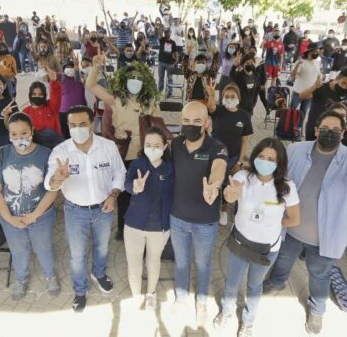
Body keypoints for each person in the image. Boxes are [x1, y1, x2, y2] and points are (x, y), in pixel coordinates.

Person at [264, 111, 347, 335]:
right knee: (282, 260)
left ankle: (317, 310)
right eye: (325, 129)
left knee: (320, 276)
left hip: (325, 237)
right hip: (291, 228)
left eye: (336, 130)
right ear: (316, 130)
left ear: (343, 133)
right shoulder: (295, 151)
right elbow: (278, 180)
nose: (330, 133)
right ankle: (276, 284)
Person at [213, 138, 299, 336]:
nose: (265, 161)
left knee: (254, 285)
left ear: (279, 163)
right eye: (261, 156)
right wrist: (229, 194)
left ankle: (248, 322)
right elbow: (232, 194)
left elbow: (294, 218)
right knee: (232, 283)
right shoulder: (244, 176)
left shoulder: (287, 186)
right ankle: (226, 312)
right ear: (254, 157)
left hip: (267, 249)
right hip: (240, 242)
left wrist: (272, 224)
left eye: (271, 158)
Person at [44, 105, 126, 312]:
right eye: (72, 125)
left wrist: (114, 195)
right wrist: (57, 178)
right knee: (77, 255)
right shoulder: (60, 152)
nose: (77, 129)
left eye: (82, 124)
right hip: (75, 211)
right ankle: (80, 290)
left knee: (102, 247)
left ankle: (99, 274)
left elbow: (120, 172)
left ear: (92, 124)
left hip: (104, 208)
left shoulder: (108, 146)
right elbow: (49, 183)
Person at [86, 54, 162, 240]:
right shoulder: (116, 100)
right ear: (124, 81)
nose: (135, 82)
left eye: (138, 79)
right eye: (131, 79)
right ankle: (122, 228)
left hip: (143, 154)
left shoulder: (150, 102)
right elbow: (92, 86)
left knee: (142, 192)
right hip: (121, 153)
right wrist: (95, 67)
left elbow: (159, 126)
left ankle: (141, 226)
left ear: (144, 82)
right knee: (123, 193)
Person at [0, 112, 61, 300]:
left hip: (41, 216)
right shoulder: (1, 154)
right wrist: (9, 217)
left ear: (32, 131)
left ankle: (50, 275)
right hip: (10, 217)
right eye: (14, 134)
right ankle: (21, 279)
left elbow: (53, 190)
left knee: (43, 247)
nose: (19, 138)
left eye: (23, 133)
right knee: (18, 250)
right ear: (9, 134)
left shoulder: (46, 155)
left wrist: (34, 215)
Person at [170, 101, 228, 327]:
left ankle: (201, 302)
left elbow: (219, 167)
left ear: (206, 123)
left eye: (196, 121)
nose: (190, 125)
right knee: (181, 262)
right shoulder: (175, 145)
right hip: (177, 218)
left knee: (203, 264)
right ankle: (181, 298)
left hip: (205, 222)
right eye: (186, 121)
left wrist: (213, 185)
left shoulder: (217, 147)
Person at [123, 127, 174, 309]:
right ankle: (136, 296)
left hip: (159, 227)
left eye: (157, 145)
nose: (152, 148)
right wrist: (135, 187)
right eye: (148, 145)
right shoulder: (137, 164)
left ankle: (151, 293)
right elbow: (127, 184)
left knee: (153, 262)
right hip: (134, 225)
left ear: (165, 146)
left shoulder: (171, 167)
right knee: (134, 264)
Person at [209, 83, 253, 225]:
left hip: (233, 157)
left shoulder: (244, 116)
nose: (229, 98)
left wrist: (240, 162)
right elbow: (210, 108)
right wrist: (211, 94)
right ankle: (210, 208)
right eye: (226, 96)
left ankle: (224, 210)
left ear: (238, 98)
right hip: (214, 156)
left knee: (228, 184)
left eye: (232, 96)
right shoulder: (219, 111)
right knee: (214, 182)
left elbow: (245, 140)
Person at [301, 68, 347, 141]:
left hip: (334, 133)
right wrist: (314, 87)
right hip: (315, 130)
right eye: (343, 83)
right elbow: (302, 96)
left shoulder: (344, 92)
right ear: (337, 78)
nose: (344, 87)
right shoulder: (321, 87)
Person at [22, 81, 63, 149]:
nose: (37, 96)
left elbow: (56, 95)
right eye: (34, 94)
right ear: (30, 95)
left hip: (55, 145)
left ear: (44, 95)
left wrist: (53, 81)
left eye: (40, 94)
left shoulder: (51, 106)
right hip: (37, 147)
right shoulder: (26, 111)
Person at [290, 42, 322, 126]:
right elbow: (293, 75)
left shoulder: (317, 62)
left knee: (303, 112)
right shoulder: (301, 61)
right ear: (310, 51)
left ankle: (299, 129)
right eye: (315, 51)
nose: (317, 54)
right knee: (292, 110)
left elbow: (318, 75)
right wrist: (297, 64)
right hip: (298, 91)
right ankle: (287, 126)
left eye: (318, 52)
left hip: (310, 93)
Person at [157, 26, 178, 97]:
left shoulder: (173, 42)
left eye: (168, 32)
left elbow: (175, 52)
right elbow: (160, 33)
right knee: (161, 77)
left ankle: (170, 92)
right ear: (164, 33)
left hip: (170, 63)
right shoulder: (162, 40)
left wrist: (176, 60)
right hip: (161, 62)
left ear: (170, 33)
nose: (167, 33)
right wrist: (160, 27)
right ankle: (160, 90)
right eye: (166, 32)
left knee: (170, 78)